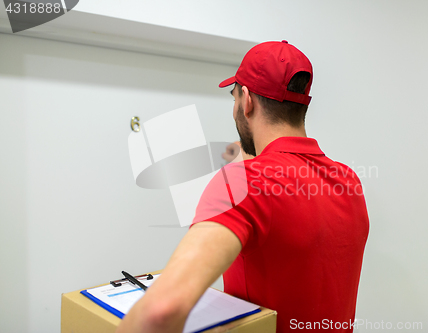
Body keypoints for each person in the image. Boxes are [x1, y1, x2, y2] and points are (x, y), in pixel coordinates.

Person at [117, 40, 369, 333]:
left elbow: (161, 312)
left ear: (246, 100)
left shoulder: (241, 182)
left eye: (234, 96)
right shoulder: (348, 180)